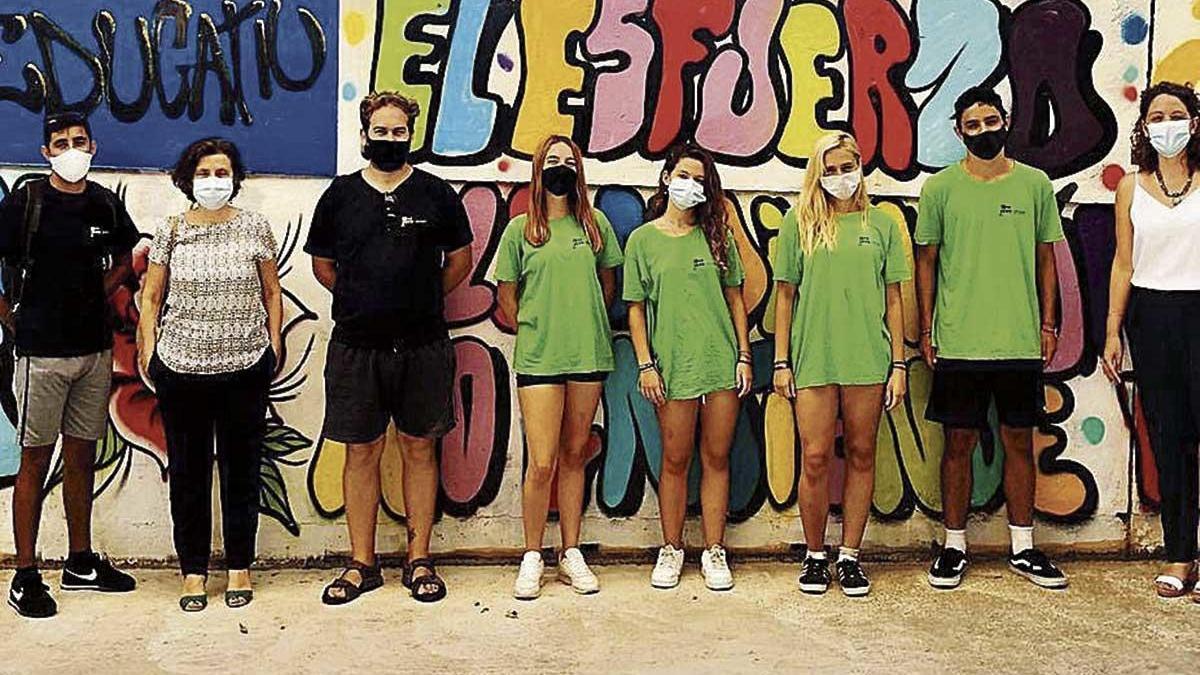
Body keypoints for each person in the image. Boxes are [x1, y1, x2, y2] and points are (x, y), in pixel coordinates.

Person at [305, 92, 473, 605]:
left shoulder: (437, 195)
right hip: (357, 347)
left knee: (420, 449)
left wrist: (416, 301)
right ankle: (362, 563)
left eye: (399, 132)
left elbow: (460, 263)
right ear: (364, 134)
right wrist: (364, 300)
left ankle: (419, 559)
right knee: (361, 451)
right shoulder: (339, 196)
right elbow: (323, 267)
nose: (390, 140)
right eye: (381, 131)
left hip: (423, 345)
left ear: (410, 136)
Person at [915, 86, 1068, 590]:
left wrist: (1048, 324)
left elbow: (1047, 257)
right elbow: (927, 262)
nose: (983, 131)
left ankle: (1023, 548)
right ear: (959, 131)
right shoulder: (939, 189)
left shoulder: (1035, 185)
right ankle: (953, 547)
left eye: (990, 121)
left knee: (1018, 443)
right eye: (972, 124)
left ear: (1006, 120)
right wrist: (926, 327)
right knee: (956, 444)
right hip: (958, 341)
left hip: (1020, 341)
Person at [0, 112, 139, 619]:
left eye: (79, 141)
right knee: (35, 459)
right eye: (61, 142)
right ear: (46, 152)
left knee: (82, 456)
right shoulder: (27, 201)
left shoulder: (103, 201)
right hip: (41, 353)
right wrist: (14, 319)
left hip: (94, 351)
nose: (72, 149)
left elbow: (125, 258)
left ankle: (80, 562)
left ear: (93, 146)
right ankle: (26, 574)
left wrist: (94, 293)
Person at [137, 138, 282, 611]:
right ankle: (193, 572)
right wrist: (148, 347)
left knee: (242, 469)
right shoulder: (172, 230)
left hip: (246, 366)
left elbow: (272, 292)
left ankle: (239, 566)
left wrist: (274, 340)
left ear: (236, 178)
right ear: (188, 179)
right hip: (181, 369)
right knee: (188, 472)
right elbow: (152, 298)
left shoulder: (255, 227)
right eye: (204, 174)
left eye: (222, 173)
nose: (213, 182)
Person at [772, 132, 909, 597]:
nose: (839, 177)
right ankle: (814, 555)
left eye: (846, 167)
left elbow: (894, 298)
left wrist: (899, 365)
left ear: (860, 166)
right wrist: (781, 361)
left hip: (868, 359)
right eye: (828, 170)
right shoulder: (800, 223)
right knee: (813, 458)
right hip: (813, 359)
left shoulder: (883, 225)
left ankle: (849, 556)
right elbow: (785, 295)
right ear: (817, 173)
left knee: (862, 453)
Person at [495, 136, 623, 600]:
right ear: (538, 169)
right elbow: (506, 296)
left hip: (588, 356)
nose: (561, 168)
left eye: (569, 161)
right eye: (552, 161)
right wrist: (536, 324)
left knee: (574, 456)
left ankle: (570, 552)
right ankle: (532, 555)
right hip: (540, 359)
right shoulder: (520, 231)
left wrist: (581, 321)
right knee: (542, 461)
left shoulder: (596, 226)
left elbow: (608, 284)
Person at [624, 144, 752, 592]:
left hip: (720, 367)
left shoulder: (718, 236)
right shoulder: (642, 240)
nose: (690, 186)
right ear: (665, 178)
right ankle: (672, 548)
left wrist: (743, 355)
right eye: (683, 176)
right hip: (671, 370)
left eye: (700, 180)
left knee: (716, 459)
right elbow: (635, 308)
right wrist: (646, 365)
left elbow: (736, 298)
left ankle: (714, 550)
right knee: (675, 460)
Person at [1101, 81, 1200, 600]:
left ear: (1195, 121)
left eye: (1176, 114)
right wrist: (1113, 328)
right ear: (1144, 126)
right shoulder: (1130, 188)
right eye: (1156, 116)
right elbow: (1123, 261)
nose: (1167, 124)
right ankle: (1181, 556)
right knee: (1169, 440)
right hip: (1152, 316)